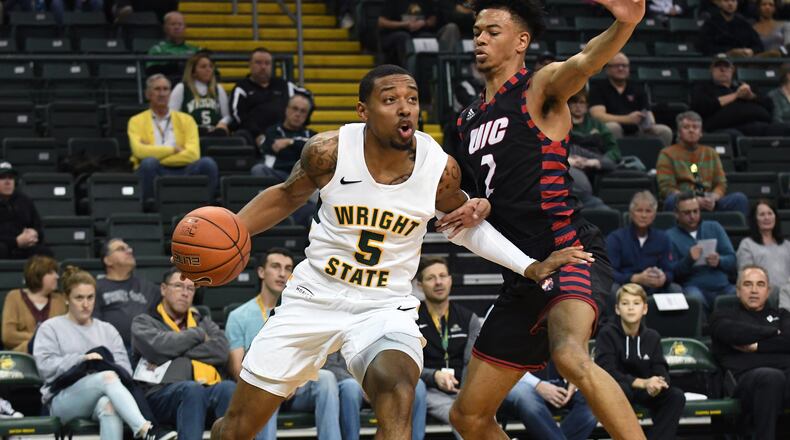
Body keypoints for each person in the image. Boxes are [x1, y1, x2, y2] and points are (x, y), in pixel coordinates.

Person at [208, 64, 590, 440]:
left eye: (412, 99)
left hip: (383, 306)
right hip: (313, 297)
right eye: (390, 100)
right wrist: (231, 230)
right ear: (363, 110)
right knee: (237, 429)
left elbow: (463, 227)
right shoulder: (330, 151)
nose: (405, 107)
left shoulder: (439, 169)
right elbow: (285, 195)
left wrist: (530, 265)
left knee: (398, 392)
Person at [441, 0, 648, 437]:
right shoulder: (467, 119)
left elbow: (587, 59)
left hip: (569, 251)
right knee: (468, 416)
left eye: (492, 31)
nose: (479, 38)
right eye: (477, 31)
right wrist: (480, 202)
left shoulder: (539, 87)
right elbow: (499, 186)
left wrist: (624, 24)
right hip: (522, 273)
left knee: (571, 357)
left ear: (521, 42)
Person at [33, 266, 169, 440]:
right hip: (62, 399)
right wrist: (83, 360)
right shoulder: (50, 327)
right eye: (79, 298)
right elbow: (45, 367)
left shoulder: (107, 330)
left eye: (90, 297)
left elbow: (125, 371)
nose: (86, 304)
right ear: (67, 299)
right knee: (108, 377)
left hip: (104, 394)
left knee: (109, 406)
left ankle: (144, 429)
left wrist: (100, 364)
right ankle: (145, 429)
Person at [132, 268, 235, 439]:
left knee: (228, 388)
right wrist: (198, 335)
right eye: (179, 286)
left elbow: (222, 351)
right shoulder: (145, 321)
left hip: (204, 389)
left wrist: (173, 348)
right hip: (160, 395)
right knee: (191, 390)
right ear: (164, 289)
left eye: (190, 288)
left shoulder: (203, 321)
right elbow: (158, 348)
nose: (185, 293)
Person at [595, 283, 686, 440]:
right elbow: (607, 372)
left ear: (644, 309)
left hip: (645, 390)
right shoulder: (607, 333)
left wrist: (658, 383)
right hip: (619, 389)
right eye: (625, 303)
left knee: (675, 396)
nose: (631, 308)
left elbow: (660, 366)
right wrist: (642, 383)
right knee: (622, 390)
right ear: (617, 309)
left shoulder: (652, 336)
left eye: (636, 303)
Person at [709, 265, 790, 439]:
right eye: (748, 284)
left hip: (785, 376)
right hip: (745, 382)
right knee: (770, 377)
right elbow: (734, 333)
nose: (754, 290)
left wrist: (757, 346)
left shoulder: (782, 315)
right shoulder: (722, 315)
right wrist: (772, 332)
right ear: (738, 291)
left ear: (768, 291)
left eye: (760, 284)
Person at [128, 74, 219, 201]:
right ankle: (150, 205)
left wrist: (155, 152)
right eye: (157, 89)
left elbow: (193, 154)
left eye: (165, 89)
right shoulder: (136, 121)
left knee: (208, 164)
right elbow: (139, 152)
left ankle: (204, 209)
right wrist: (173, 150)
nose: (162, 93)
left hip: (184, 169)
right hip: (156, 168)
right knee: (148, 163)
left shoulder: (187, 119)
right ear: (147, 94)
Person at [656, 110, 749, 215]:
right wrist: (693, 201)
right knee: (671, 200)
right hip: (683, 200)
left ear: (700, 133)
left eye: (695, 127)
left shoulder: (711, 153)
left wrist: (713, 198)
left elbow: (721, 184)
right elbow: (666, 188)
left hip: (708, 200)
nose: (691, 130)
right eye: (686, 127)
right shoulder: (667, 154)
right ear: (679, 132)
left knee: (739, 199)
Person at [325, 351, 427, 440]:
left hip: (384, 381)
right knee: (351, 388)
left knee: (419, 386)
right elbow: (331, 366)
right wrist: (364, 384)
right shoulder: (341, 328)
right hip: (350, 382)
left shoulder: (386, 331)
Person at [666, 192, 737, 311]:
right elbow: (672, 273)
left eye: (695, 211)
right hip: (694, 286)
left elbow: (732, 259)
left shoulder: (714, 227)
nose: (692, 216)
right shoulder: (669, 236)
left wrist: (719, 260)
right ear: (677, 214)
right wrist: (689, 260)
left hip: (722, 286)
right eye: (687, 213)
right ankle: (702, 329)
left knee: (740, 294)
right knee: (694, 298)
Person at [690, 53, 790, 137]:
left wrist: (751, 96)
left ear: (732, 70)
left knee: (785, 128)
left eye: (726, 66)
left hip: (761, 125)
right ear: (711, 69)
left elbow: (768, 104)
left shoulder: (744, 86)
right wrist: (735, 95)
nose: (722, 69)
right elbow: (701, 106)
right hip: (730, 128)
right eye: (718, 66)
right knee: (733, 136)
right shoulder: (703, 88)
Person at [588, 52, 673, 147]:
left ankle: (660, 161)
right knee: (613, 127)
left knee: (664, 131)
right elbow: (598, 116)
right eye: (616, 65)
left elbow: (647, 112)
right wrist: (627, 119)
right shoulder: (599, 88)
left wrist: (649, 123)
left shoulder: (637, 88)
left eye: (624, 65)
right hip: (611, 129)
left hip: (637, 129)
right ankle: (615, 160)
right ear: (608, 69)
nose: (621, 68)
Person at [606, 191, 680, 299]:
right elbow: (609, 273)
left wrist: (663, 278)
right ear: (631, 213)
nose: (644, 215)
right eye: (639, 211)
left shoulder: (663, 238)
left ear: (654, 215)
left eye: (648, 211)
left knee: (675, 289)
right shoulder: (616, 238)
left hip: (655, 288)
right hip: (626, 287)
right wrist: (634, 278)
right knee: (612, 289)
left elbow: (670, 271)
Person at [230, 47, 308, 148]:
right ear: (250, 65)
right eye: (258, 63)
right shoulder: (242, 88)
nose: (263, 67)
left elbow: (307, 98)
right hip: (254, 137)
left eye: (267, 63)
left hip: (283, 133)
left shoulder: (283, 85)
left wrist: (302, 121)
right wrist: (257, 134)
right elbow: (238, 115)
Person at [94, 239, 160, 355]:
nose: (129, 251)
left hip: (146, 352)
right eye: (121, 249)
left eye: (129, 248)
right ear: (107, 260)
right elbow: (92, 326)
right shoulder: (96, 287)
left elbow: (168, 310)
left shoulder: (149, 288)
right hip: (111, 351)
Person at [2, 255, 66, 353]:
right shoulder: (14, 297)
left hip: (54, 357)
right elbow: (8, 336)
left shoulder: (60, 300)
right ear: (37, 276)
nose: (56, 276)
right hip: (22, 357)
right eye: (50, 273)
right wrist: (42, 337)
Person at [568, 89, 619, 210]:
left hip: (595, 164)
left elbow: (614, 151)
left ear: (587, 106)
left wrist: (598, 162)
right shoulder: (562, 123)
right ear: (568, 105)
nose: (578, 106)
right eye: (574, 102)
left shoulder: (597, 125)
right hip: (572, 165)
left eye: (582, 103)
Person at [250, 93, 317, 181]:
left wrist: (290, 142)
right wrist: (300, 147)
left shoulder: (311, 135)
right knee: (258, 169)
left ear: (307, 115)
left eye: (303, 111)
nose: (298, 114)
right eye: (295, 109)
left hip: (302, 177)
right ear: (287, 109)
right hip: (278, 175)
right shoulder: (273, 131)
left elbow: (316, 148)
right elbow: (272, 149)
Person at [737, 200, 790, 306]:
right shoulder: (747, 244)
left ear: (775, 217)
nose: (767, 218)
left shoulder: (787, 245)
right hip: (764, 294)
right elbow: (745, 276)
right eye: (762, 214)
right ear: (755, 220)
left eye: (770, 213)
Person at [169, 52, 232, 137]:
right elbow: (172, 114)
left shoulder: (218, 89)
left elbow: (227, 116)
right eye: (203, 67)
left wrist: (222, 123)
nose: (208, 69)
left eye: (210, 66)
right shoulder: (182, 88)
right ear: (193, 71)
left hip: (215, 132)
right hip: (191, 133)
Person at [0, 161, 52, 260]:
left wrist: (34, 234)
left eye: (10, 178)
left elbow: (38, 227)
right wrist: (15, 242)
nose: (8, 182)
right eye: (2, 178)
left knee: (45, 253)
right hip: (5, 246)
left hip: (25, 247)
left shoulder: (25, 201)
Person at [377, 0, 438, 67]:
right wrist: (403, 24)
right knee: (403, 38)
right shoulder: (393, 2)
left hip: (419, 33)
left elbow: (433, 19)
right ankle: (409, 70)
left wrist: (423, 23)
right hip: (395, 34)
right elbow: (381, 22)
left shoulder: (426, 2)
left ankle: (429, 71)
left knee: (428, 38)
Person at [700, 0, 766, 56]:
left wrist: (751, 51)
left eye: (733, 1)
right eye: (726, 1)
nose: (730, 4)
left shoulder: (744, 24)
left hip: (742, 61)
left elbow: (759, 46)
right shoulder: (710, 24)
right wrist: (730, 52)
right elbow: (705, 46)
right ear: (720, 3)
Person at [146, 11, 201, 78]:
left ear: (185, 28)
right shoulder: (157, 50)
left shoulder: (195, 49)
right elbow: (151, 72)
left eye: (180, 24)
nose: (177, 27)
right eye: (173, 24)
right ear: (165, 28)